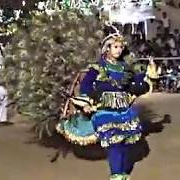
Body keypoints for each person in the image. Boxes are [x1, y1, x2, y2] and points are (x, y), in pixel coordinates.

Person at [56, 27, 148, 180]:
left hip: (124, 110)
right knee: (114, 143)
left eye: (120, 47)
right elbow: (86, 85)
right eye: (115, 47)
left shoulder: (124, 67)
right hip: (105, 110)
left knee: (124, 142)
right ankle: (116, 175)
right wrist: (84, 102)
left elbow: (135, 82)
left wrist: (148, 75)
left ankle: (123, 173)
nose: (119, 50)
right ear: (108, 48)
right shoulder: (98, 67)